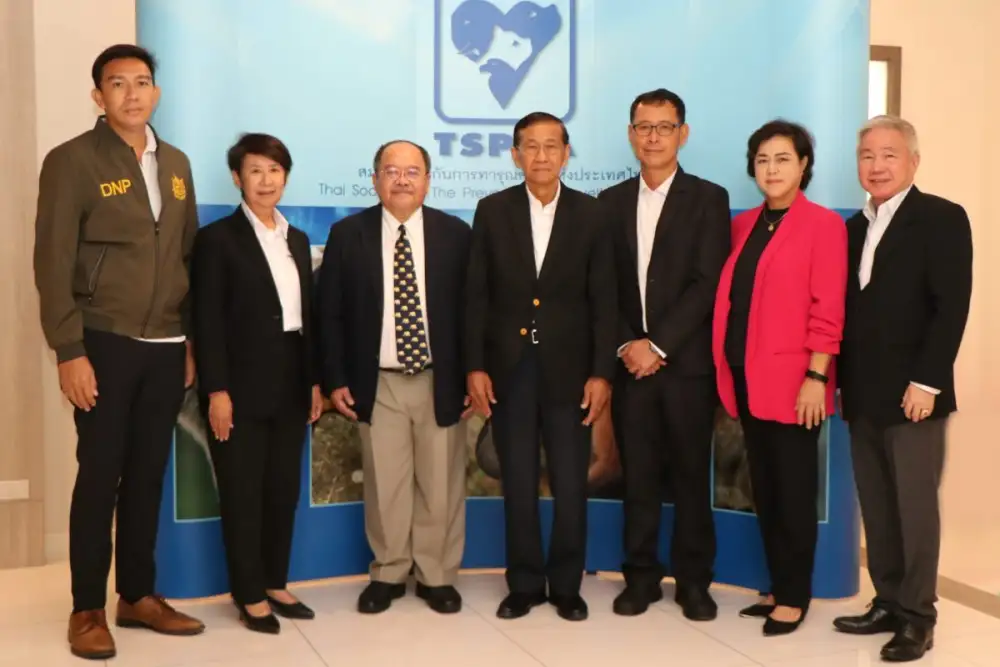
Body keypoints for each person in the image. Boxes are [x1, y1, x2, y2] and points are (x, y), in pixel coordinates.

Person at [32, 44, 205, 660]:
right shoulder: (72, 160)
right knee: (100, 475)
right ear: (98, 95)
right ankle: (86, 608)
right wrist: (68, 349)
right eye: (118, 83)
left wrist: (188, 340)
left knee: (148, 475)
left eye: (142, 82)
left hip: (166, 345)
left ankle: (136, 596)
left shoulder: (176, 163)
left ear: (156, 92)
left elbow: (186, 257)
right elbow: (52, 261)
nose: (132, 94)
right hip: (102, 340)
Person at [465, 111, 617, 622]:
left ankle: (567, 586)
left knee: (571, 484)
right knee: (519, 483)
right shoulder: (492, 210)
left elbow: (605, 301)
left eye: (552, 146)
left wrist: (601, 373)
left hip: (572, 374)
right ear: (515, 155)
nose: (541, 156)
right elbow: (476, 296)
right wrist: (475, 366)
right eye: (530, 146)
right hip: (510, 371)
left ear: (566, 154)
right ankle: (525, 584)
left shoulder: (592, 215)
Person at [833, 116, 973, 662]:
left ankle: (918, 617)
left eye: (889, 154)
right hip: (862, 393)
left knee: (914, 508)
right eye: (867, 155)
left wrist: (927, 382)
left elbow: (950, 308)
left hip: (916, 394)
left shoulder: (941, 218)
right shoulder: (852, 228)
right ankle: (888, 600)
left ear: (913, 161)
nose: (877, 165)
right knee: (877, 504)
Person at [317, 140, 472, 615]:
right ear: (375, 180)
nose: (402, 180)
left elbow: (474, 311)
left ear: (428, 180)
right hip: (377, 380)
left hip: (440, 378)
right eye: (391, 171)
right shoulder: (348, 234)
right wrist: (335, 378)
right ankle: (387, 572)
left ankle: (436, 576)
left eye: (412, 171)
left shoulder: (455, 234)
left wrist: (473, 374)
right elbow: (329, 313)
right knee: (386, 484)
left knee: (440, 484)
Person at [597, 88, 730, 621]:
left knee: (691, 478)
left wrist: (658, 345)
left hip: (686, 368)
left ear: (683, 134)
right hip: (629, 366)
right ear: (631, 134)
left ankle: (694, 582)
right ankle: (640, 577)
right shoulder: (608, 202)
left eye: (664, 127)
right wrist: (628, 344)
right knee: (638, 478)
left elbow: (708, 282)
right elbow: (602, 287)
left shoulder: (708, 198)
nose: (653, 137)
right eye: (644, 127)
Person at [712, 120, 847, 636]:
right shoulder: (745, 224)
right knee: (765, 488)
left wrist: (817, 374)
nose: (771, 169)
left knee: (793, 490)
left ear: (804, 165)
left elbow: (828, 307)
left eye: (783, 158)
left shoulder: (823, 225)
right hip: (746, 376)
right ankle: (777, 584)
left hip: (796, 382)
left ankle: (794, 595)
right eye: (763, 159)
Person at [191, 133, 324, 633]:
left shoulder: (296, 239)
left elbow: (306, 317)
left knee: (281, 490)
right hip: (239, 385)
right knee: (243, 493)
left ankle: (274, 581)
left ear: (285, 176)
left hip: (291, 380)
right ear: (237, 178)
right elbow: (207, 321)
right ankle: (248, 593)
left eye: (274, 170)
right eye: (255, 171)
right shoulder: (217, 240)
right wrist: (217, 391)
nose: (266, 180)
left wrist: (313, 382)